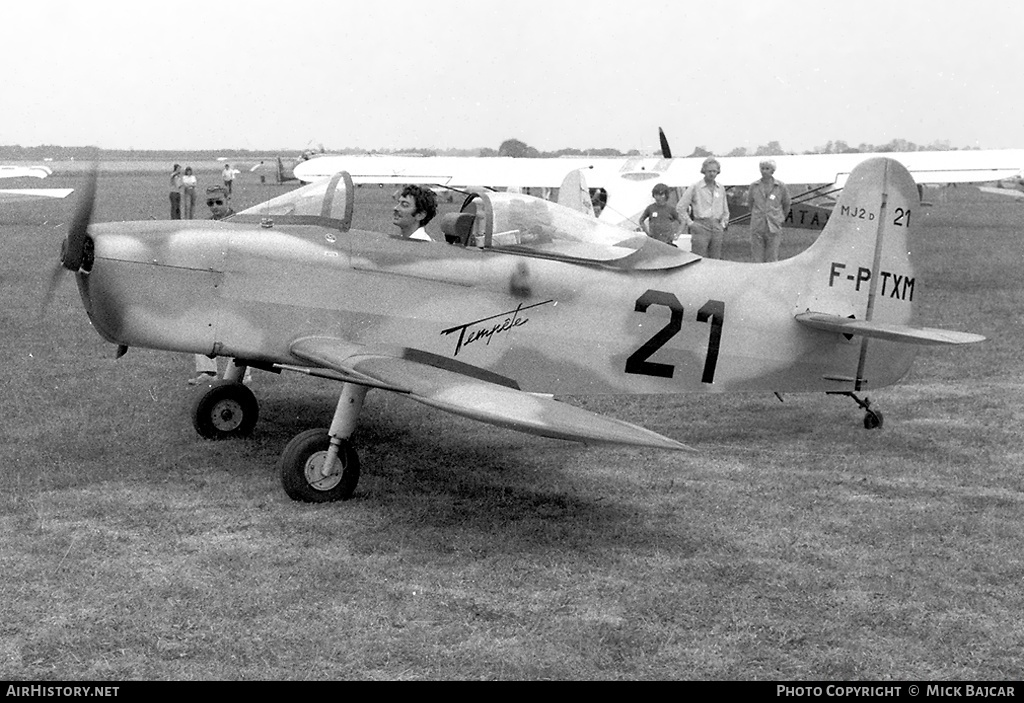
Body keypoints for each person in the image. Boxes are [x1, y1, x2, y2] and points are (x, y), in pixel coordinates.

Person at [189, 186, 244, 385]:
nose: (214, 207)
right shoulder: (207, 225)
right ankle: (207, 372)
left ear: (228, 200)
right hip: (212, 282)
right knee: (202, 321)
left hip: (235, 283)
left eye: (219, 202)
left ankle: (241, 375)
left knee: (237, 326)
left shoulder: (242, 223)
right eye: (210, 203)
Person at [677, 157, 730, 258]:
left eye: (714, 171)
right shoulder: (695, 187)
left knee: (716, 259)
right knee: (699, 258)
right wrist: (691, 223)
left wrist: (722, 224)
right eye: (709, 171)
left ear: (718, 172)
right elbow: (680, 207)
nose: (712, 174)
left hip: (716, 226)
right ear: (704, 171)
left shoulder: (720, 188)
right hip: (700, 225)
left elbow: (725, 210)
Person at [748, 159, 792, 262]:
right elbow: (750, 203)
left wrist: (780, 218)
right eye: (762, 168)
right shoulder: (754, 186)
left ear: (772, 171)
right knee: (757, 257)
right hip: (757, 225)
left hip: (773, 224)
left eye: (767, 169)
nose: (764, 171)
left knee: (772, 256)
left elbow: (786, 203)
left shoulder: (780, 186)